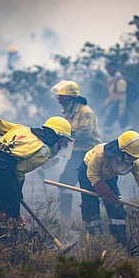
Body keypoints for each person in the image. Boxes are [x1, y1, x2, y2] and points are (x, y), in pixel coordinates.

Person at [0, 112, 74, 240]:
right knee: (10, 216)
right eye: (64, 142)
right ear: (57, 138)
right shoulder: (44, 151)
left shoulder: (23, 129)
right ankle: (7, 251)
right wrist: (17, 191)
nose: (63, 146)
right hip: (1, 171)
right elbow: (19, 171)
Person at [77, 130, 139, 246]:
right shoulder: (100, 155)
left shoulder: (135, 163)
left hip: (109, 176)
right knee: (90, 206)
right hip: (88, 172)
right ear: (121, 152)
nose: (134, 160)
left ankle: (121, 243)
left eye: (135, 157)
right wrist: (107, 195)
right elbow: (92, 174)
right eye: (131, 157)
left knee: (116, 208)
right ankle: (95, 242)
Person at [50, 80, 101, 217]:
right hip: (76, 152)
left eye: (62, 96)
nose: (59, 99)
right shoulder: (68, 112)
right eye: (58, 96)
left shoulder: (86, 112)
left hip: (89, 153)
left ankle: (93, 217)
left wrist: (68, 135)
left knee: (88, 185)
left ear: (71, 97)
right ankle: (66, 218)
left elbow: (85, 134)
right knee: (65, 182)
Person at [103, 62, 130, 137]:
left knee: (124, 125)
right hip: (115, 104)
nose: (109, 71)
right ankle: (107, 139)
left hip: (120, 105)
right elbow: (111, 95)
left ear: (115, 69)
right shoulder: (111, 80)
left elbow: (122, 98)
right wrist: (106, 104)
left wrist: (121, 112)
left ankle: (131, 140)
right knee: (109, 123)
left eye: (111, 69)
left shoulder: (120, 81)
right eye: (108, 69)